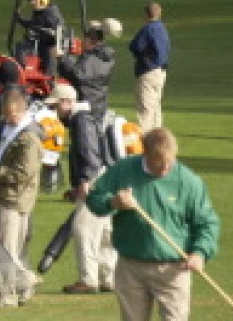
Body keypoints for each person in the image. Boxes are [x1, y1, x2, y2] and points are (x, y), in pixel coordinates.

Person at [86, 128, 220, 321]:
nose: (165, 168)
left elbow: (207, 223)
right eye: (159, 162)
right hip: (131, 265)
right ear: (145, 154)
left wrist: (200, 253)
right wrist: (114, 202)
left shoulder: (188, 181)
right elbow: (95, 198)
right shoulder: (123, 170)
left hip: (173, 268)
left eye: (169, 162)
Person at [0, 87, 43, 309]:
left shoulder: (30, 139)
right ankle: (24, 284)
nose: (9, 119)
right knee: (11, 249)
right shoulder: (5, 126)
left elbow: (22, 175)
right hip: (2, 195)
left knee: (4, 249)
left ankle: (7, 295)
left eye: (13, 116)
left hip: (14, 200)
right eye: (6, 115)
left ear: (23, 112)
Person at [52, 83, 117, 295]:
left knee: (84, 228)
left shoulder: (80, 120)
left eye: (56, 106)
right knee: (105, 230)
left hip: (94, 178)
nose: (55, 112)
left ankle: (88, 279)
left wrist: (84, 180)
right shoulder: (86, 118)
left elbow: (88, 151)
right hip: (105, 177)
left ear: (67, 102)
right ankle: (109, 277)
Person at [56, 20, 117, 121]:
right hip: (99, 103)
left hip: (87, 104)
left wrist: (63, 58)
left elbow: (78, 75)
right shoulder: (105, 57)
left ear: (90, 40)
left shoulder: (92, 57)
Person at [128, 3, 170, 130]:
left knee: (146, 108)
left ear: (146, 15)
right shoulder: (162, 28)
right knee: (156, 106)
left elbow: (134, 46)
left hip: (148, 72)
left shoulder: (148, 29)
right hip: (161, 71)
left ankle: (147, 141)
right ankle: (157, 137)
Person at [15, 0, 64, 72]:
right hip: (40, 41)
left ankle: (49, 78)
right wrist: (19, 19)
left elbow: (59, 29)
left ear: (42, 0)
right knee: (21, 46)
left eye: (34, 1)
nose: (32, 3)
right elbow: (33, 24)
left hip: (51, 43)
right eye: (31, 1)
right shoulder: (38, 12)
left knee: (49, 55)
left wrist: (57, 46)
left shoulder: (51, 12)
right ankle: (21, 70)